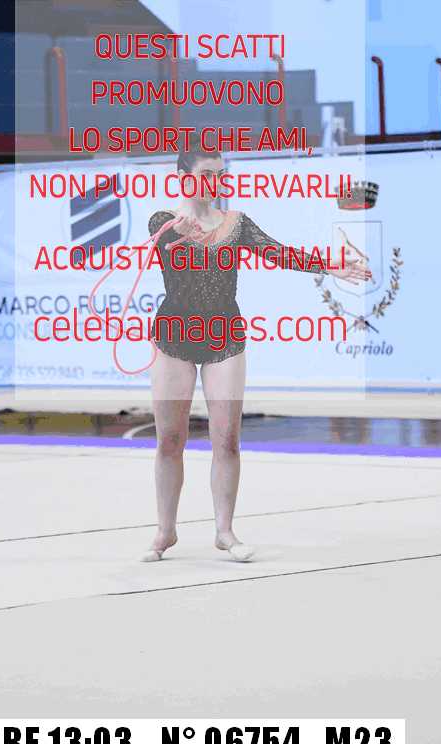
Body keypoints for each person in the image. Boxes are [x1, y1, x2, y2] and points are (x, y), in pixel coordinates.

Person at [141, 136, 371, 563]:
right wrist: (181, 233)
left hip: (224, 335)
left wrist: (330, 264)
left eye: (220, 175)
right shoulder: (162, 220)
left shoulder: (236, 223)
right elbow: (167, 249)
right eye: (206, 175)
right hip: (174, 336)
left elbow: (280, 253)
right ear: (183, 177)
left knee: (227, 439)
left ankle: (224, 531)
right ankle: (165, 530)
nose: (215, 182)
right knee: (170, 439)